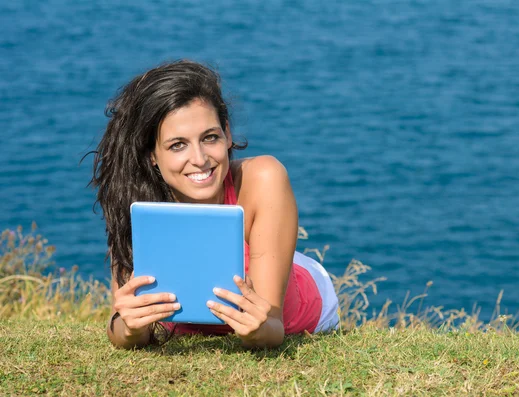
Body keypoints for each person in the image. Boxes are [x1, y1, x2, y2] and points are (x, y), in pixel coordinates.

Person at [90, 60, 340, 349]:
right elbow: (121, 327)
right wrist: (131, 328)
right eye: (177, 145)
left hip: (303, 304)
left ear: (228, 134)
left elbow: (273, 328)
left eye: (210, 138)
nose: (199, 158)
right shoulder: (136, 202)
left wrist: (257, 330)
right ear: (152, 156)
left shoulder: (263, 179)